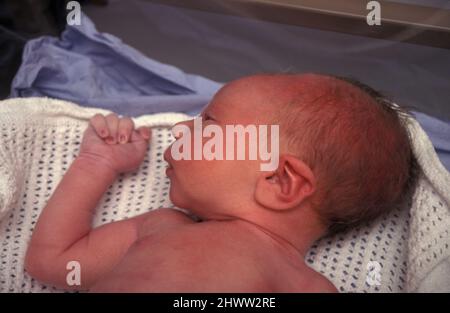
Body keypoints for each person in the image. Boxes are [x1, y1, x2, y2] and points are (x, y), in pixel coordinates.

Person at [25, 73, 414, 292]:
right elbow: (50, 261)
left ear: (280, 180)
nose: (178, 128)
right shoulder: (159, 226)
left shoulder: (306, 286)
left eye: (208, 123)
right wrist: (95, 163)